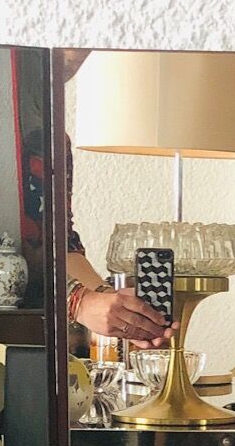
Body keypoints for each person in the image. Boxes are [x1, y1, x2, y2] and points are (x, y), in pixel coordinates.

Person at [59, 49, 172, 351]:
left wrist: (114, 304)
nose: (80, 51)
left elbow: (61, 243)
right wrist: (78, 301)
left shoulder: (55, 139)